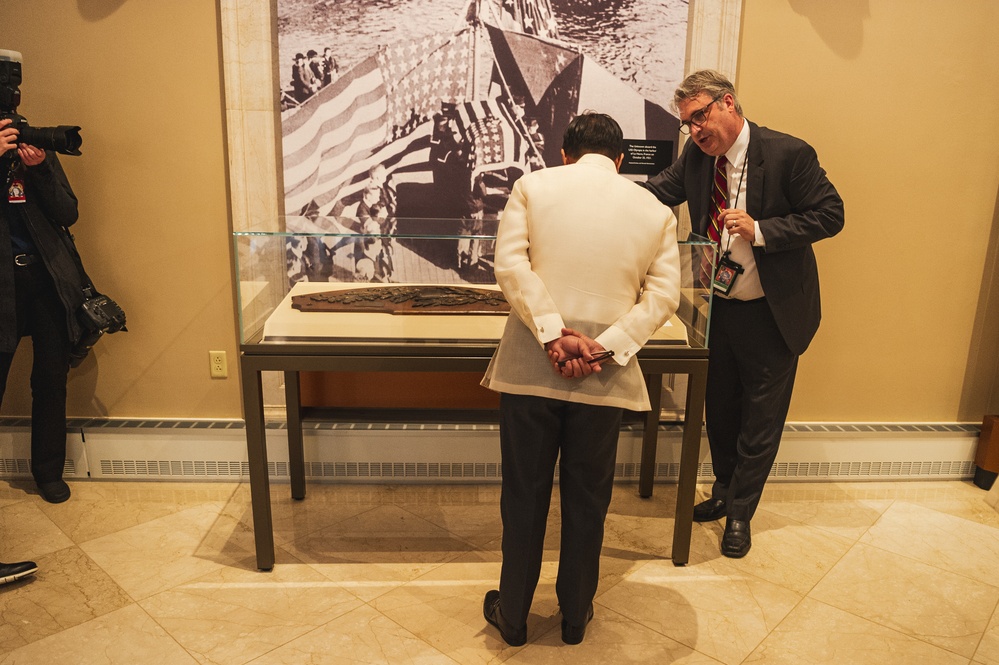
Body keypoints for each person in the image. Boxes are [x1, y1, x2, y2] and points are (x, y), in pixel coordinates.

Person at [480, 112, 681, 646]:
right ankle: (574, 615)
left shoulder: (532, 185)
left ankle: (515, 616)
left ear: (565, 152)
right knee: (588, 497)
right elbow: (663, 297)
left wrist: (551, 334)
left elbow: (510, 267)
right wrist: (604, 347)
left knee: (523, 493)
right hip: (604, 375)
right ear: (619, 160)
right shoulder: (655, 210)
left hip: (530, 367)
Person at [641, 69, 844, 558]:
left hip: (771, 313)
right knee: (722, 412)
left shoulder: (788, 153)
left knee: (761, 419)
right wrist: (600, 193)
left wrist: (761, 229)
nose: (694, 131)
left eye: (699, 117)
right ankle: (724, 491)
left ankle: (741, 513)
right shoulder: (697, 157)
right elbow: (656, 191)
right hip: (718, 310)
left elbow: (831, 214)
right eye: (687, 124)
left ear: (727, 103)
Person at [0, 115, 85, 505]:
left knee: (51, 380)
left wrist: (40, 169)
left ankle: (48, 473)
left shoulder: (32, 146)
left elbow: (67, 213)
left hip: (45, 280)